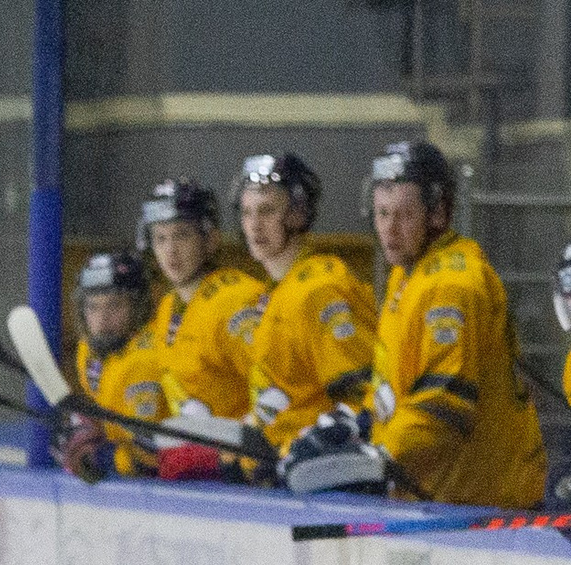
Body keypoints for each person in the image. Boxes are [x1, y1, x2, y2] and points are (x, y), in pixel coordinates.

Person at [286, 141, 545, 507]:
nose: (389, 230)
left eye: (404, 214)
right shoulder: (407, 275)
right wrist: (355, 427)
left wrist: (374, 455)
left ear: (438, 213)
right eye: (381, 213)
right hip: (445, 497)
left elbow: (444, 403)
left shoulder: (452, 284)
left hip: (485, 504)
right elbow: (395, 390)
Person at [235, 152, 377, 456]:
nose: (254, 225)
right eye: (247, 213)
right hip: (279, 469)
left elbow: (364, 398)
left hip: (315, 481)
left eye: (268, 211)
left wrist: (309, 448)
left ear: (298, 214)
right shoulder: (275, 292)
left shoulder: (320, 288)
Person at [136, 178, 266, 480]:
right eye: (160, 238)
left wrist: (229, 452)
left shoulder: (236, 300)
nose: (171, 251)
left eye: (182, 236)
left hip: (246, 476)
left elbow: (278, 388)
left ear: (209, 239)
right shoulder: (169, 306)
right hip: (201, 478)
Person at [55, 251, 165, 479]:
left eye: (114, 306)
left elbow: (152, 459)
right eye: (92, 307)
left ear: (138, 307)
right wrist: (85, 426)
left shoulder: (145, 360)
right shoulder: (89, 349)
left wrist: (103, 457)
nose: (102, 319)